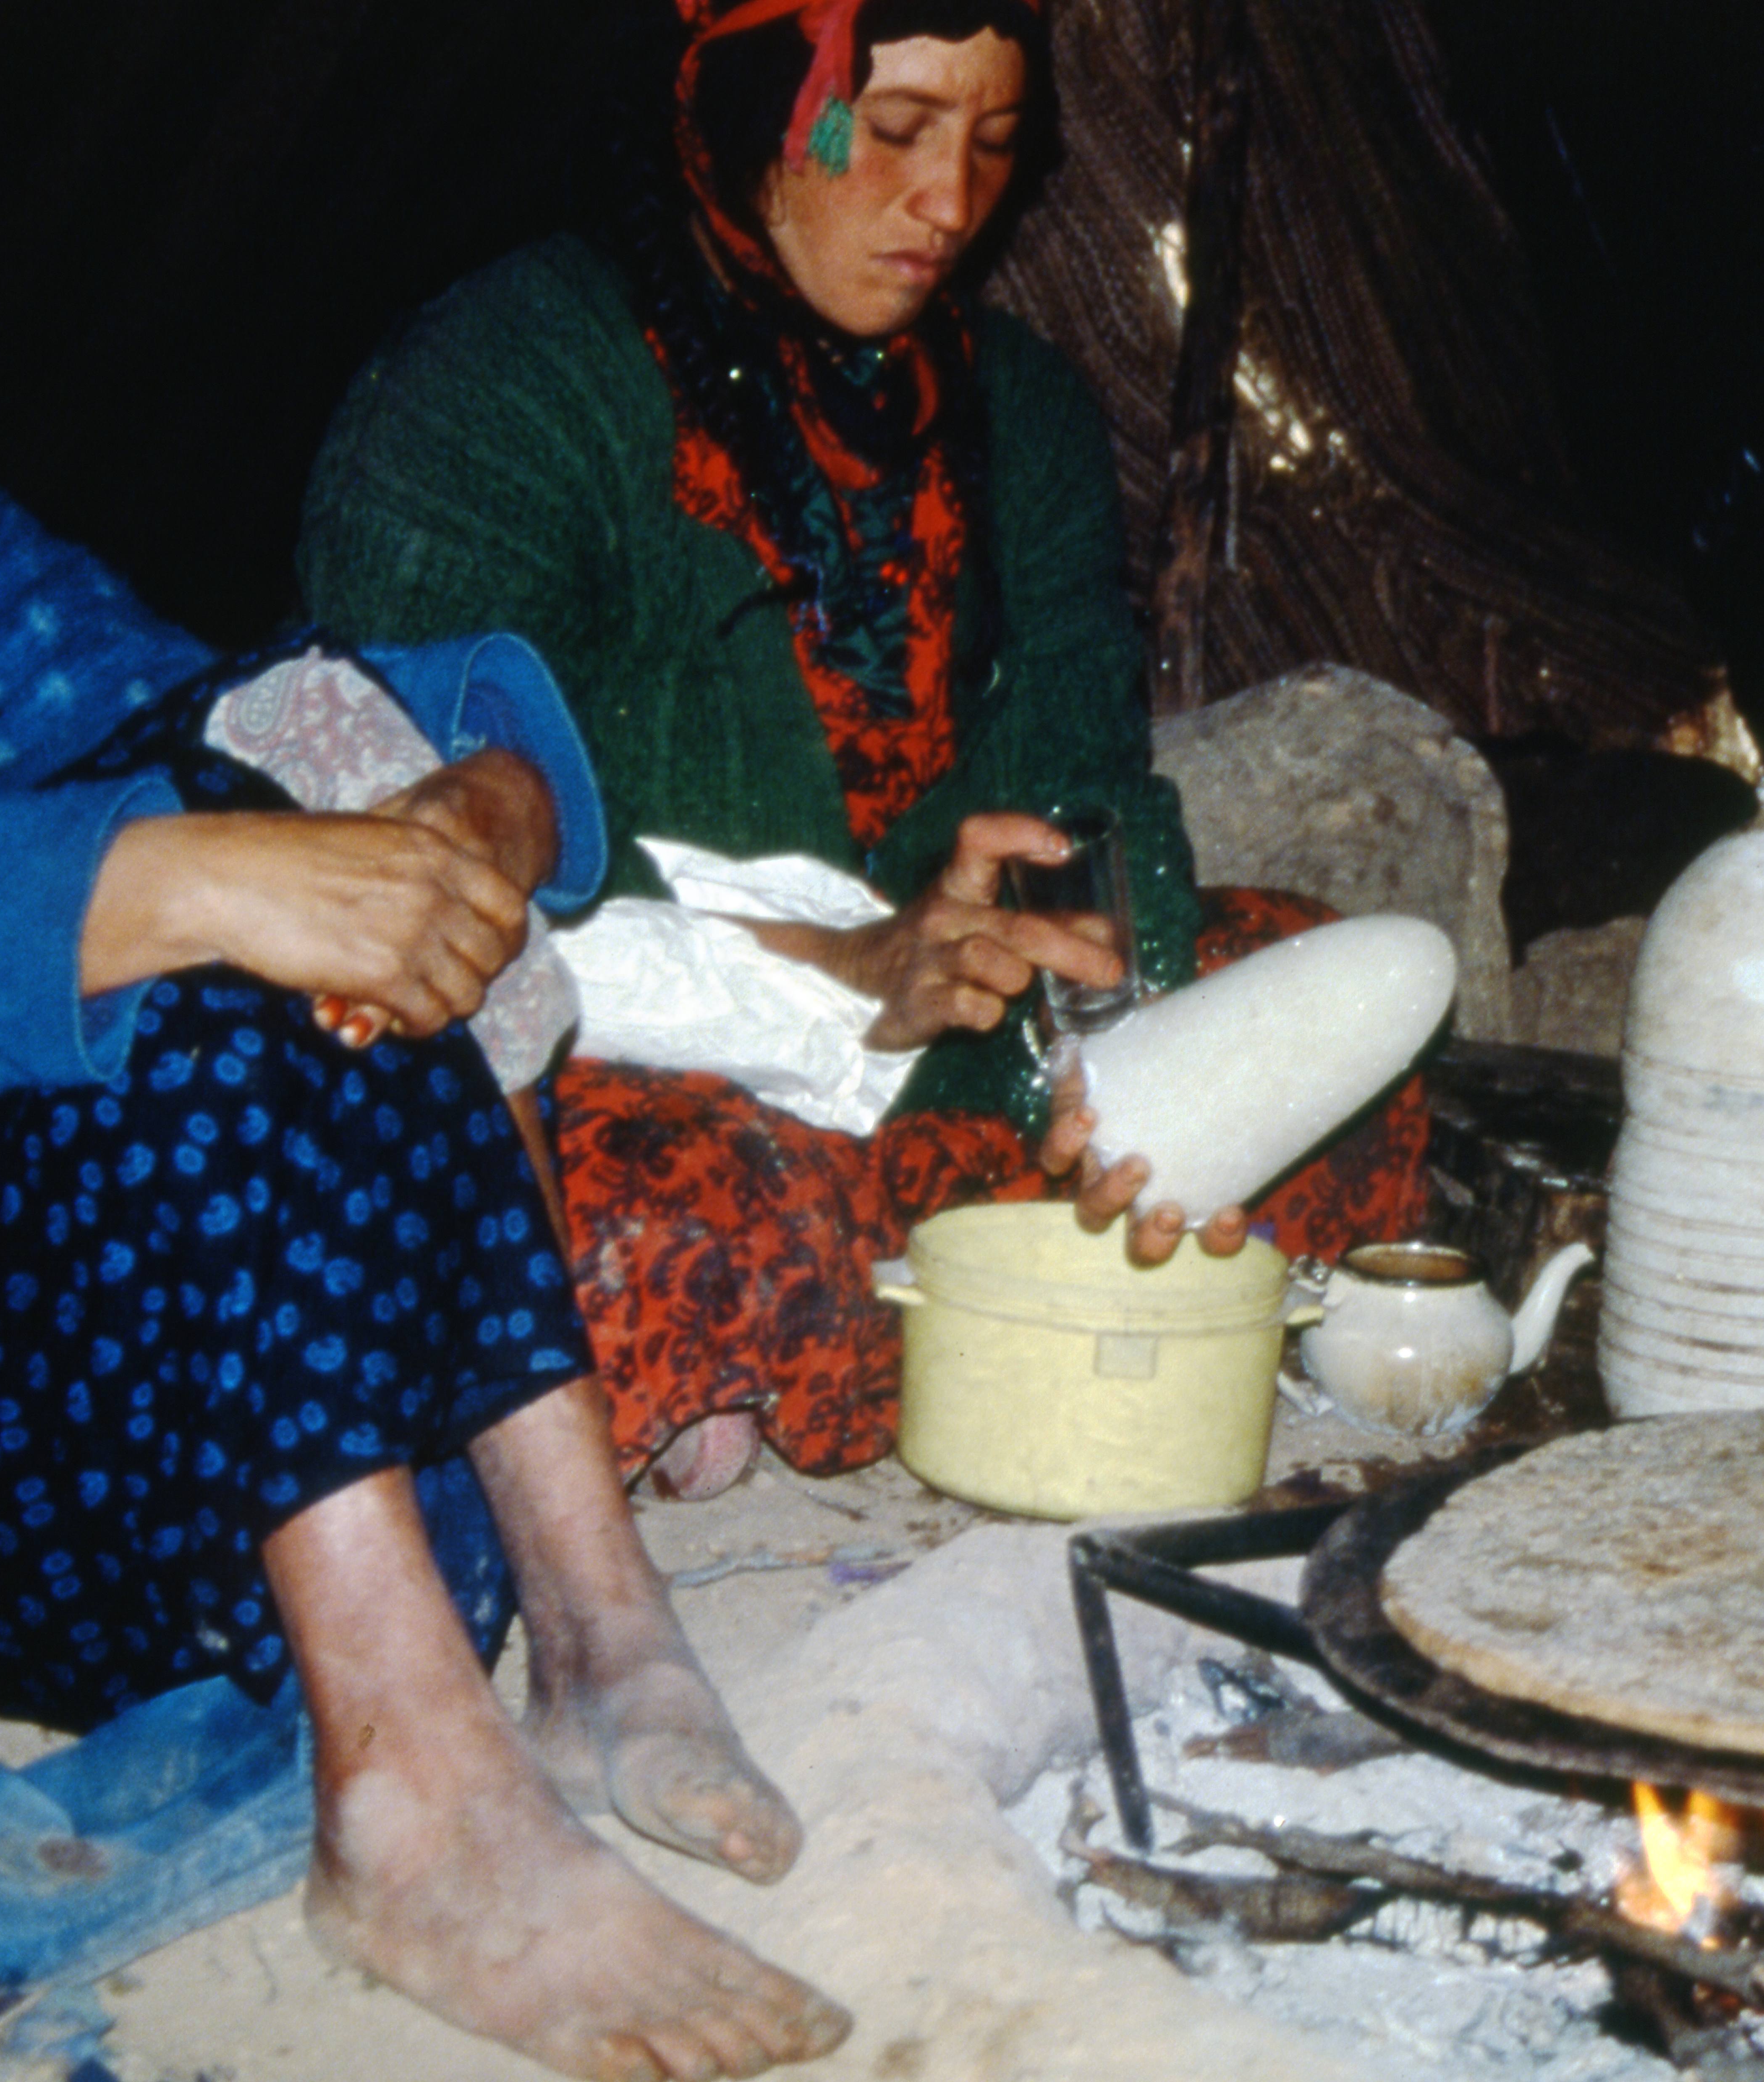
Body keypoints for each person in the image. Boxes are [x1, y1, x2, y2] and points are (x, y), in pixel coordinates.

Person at [0, 5, 845, 2077]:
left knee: (307, 780)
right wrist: (161, 882)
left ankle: (596, 1624)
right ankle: (412, 1796)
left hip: (60, 1407)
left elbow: (195, 703)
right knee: (207, 903)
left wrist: (472, 795)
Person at [300, 0, 1428, 1498]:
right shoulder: (492, 393)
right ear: (746, 108)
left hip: (950, 1056)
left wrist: (1112, 1066)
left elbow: (1087, 788)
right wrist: (849, 965)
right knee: (592, 1198)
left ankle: (865, 1316)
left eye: (995, 146)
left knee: (1318, 994)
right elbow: (414, 886)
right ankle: (875, 1306)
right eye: (893, 132)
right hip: (632, 1045)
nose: (948, 202)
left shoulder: (1021, 411)